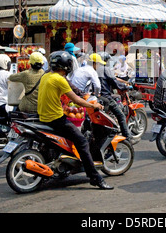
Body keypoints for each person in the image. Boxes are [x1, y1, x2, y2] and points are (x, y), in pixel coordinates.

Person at [37, 51, 112, 190]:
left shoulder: (45, 76)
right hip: (55, 118)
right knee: (82, 141)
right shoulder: (59, 79)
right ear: (66, 65)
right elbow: (76, 99)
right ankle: (95, 177)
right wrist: (93, 105)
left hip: (42, 117)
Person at [97, 52, 132, 140]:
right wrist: (125, 86)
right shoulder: (105, 69)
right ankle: (127, 137)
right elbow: (114, 81)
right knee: (121, 116)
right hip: (105, 96)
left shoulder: (96, 69)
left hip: (98, 96)